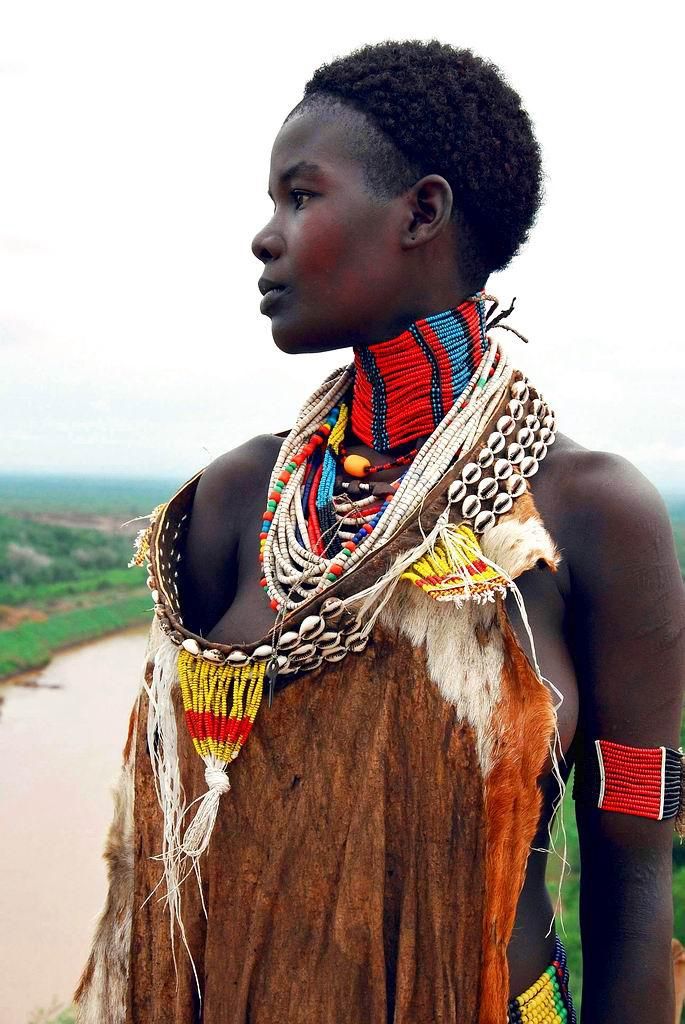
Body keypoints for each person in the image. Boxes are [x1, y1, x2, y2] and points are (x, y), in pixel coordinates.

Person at [75, 40, 685, 1024]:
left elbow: (636, 883)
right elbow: (170, 871)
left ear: (422, 212)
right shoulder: (239, 499)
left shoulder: (591, 514)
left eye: (299, 196)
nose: (264, 238)